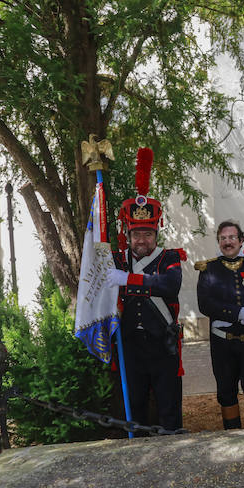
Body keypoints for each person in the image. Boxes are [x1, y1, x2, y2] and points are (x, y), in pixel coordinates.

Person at [106, 147, 185, 432]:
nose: (142, 239)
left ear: (156, 233)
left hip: (162, 347)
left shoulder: (170, 258)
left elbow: (170, 284)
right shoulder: (117, 260)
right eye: (136, 233)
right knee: (134, 411)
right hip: (129, 349)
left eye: (147, 233)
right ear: (128, 234)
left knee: (169, 411)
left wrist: (128, 280)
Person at [195, 220, 244, 429]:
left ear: (241, 240)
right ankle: (232, 436)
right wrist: (238, 313)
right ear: (219, 241)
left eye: (232, 238)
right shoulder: (208, 269)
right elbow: (205, 304)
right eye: (223, 238)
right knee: (226, 392)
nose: (228, 242)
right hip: (223, 344)